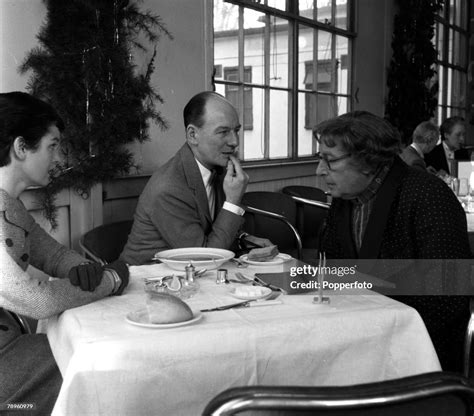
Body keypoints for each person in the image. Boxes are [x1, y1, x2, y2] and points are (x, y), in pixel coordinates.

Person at [0, 92, 129, 414]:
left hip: (10, 343)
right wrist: (110, 280)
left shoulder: (10, 206)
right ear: (20, 148)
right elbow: (36, 300)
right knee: (103, 365)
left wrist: (80, 267)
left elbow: (54, 255)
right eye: (52, 146)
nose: (58, 158)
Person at [314, 110, 471, 372]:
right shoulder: (345, 199)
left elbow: (448, 295)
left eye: (329, 161)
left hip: (417, 353)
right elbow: (334, 272)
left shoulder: (428, 195)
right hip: (355, 340)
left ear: (367, 161)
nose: (319, 171)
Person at [120, 91, 270, 265]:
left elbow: (216, 231)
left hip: (189, 276)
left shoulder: (219, 168)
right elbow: (207, 258)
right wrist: (233, 202)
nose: (234, 141)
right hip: (147, 279)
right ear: (192, 135)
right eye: (223, 132)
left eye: (236, 130)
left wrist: (244, 239)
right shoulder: (169, 188)